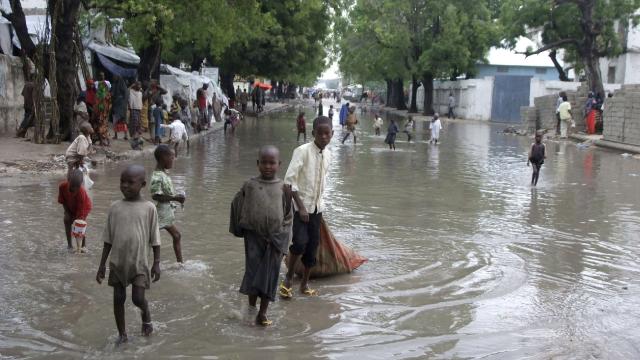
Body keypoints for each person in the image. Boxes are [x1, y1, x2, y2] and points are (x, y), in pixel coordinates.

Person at [96, 165, 161, 344]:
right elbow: (108, 239)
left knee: (138, 298)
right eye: (122, 182)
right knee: (118, 298)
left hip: (140, 263)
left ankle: (146, 314)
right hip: (117, 262)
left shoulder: (149, 208)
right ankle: (122, 334)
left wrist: (156, 263)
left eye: (130, 182)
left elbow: (155, 239)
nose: (124, 186)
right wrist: (102, 265)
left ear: (143, 184)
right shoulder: (115, 207)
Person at [230, 145, 293, 326]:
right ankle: (251, 307)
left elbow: (288, 217)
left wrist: (282, 242)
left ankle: (262, 313)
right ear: (258, 164)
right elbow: (237, 205)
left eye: (271, 163)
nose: (267, 166)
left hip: (275, 241)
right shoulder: (250, 185)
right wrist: (242, 227)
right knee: (253, 274)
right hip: (254, 239)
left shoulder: (283, 188)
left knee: (270, 277)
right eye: (264, 163)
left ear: (278, 164)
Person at [281, 116, 333, 298]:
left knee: (313, 246)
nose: (324, 137)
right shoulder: (302, 151)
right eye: (320, 133)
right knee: (300, 243)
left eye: (327, 134)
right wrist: (301, 207)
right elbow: (289, 182)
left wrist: (320, 207)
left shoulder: (328, 154)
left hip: (317, 209)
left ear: (332, 134)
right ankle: (288, 279)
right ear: (313, 134)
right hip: (300, 208)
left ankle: (304, 284)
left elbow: (322, 181)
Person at [150, 145, 186, 263]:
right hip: (161, 213)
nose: (173, 160)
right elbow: (155, 195)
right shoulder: (157, 176)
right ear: (163, 158)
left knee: (176, 236)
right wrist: (175, 198)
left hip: (166, 211)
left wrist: (175, 197)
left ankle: (180, 264)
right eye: (172, 157)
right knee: (150, 239)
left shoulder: (163, 174)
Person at [58, 169, 92, 251]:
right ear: (68, 180)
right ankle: (69, 245)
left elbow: (80, 212)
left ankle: (82, 247)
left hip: (84, 208)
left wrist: (77, 220)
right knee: (66, 220)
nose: (73, 189)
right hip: (70, 206)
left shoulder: (81, 193)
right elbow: (63, 201)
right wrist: (67, 212)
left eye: (76, 188)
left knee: (80, 226)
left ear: (80, 185)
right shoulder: (62, 186)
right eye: (71, 186)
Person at [93, 72, 112, 146]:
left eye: (103, 75)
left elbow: (108, 98)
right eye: (100, 75)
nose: (102, 77)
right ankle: (102, 141)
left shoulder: (107, 84)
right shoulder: (96, 84)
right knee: (100, 124)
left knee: (103, 125)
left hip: (105, 109)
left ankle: (105, 141)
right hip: (100, 109)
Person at [111, 75, 129, 141]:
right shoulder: (113, 85)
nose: (114, 79)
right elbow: (112, 94)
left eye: (115, 77)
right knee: (115, 120)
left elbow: (126, 96)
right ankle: (115, 135)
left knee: (123, 121)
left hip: (121, 106)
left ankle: (126, 135)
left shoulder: (123, 87)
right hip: (116, 105)